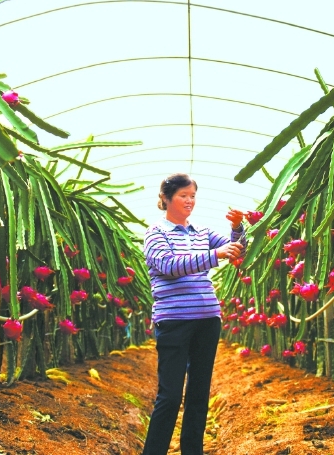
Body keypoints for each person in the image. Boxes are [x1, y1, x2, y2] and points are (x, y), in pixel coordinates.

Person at [141, 173, 247, 455]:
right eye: (183, 196)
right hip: (173, 320)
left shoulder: (202, 232)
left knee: (199, 395)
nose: (189, 201)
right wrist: (215, 256)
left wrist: (238, 228)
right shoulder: (156, 233)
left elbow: (236, 250)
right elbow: (168, 266)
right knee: (170, 395)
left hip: (207, 320)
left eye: (192, 196)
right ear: (166, 198)